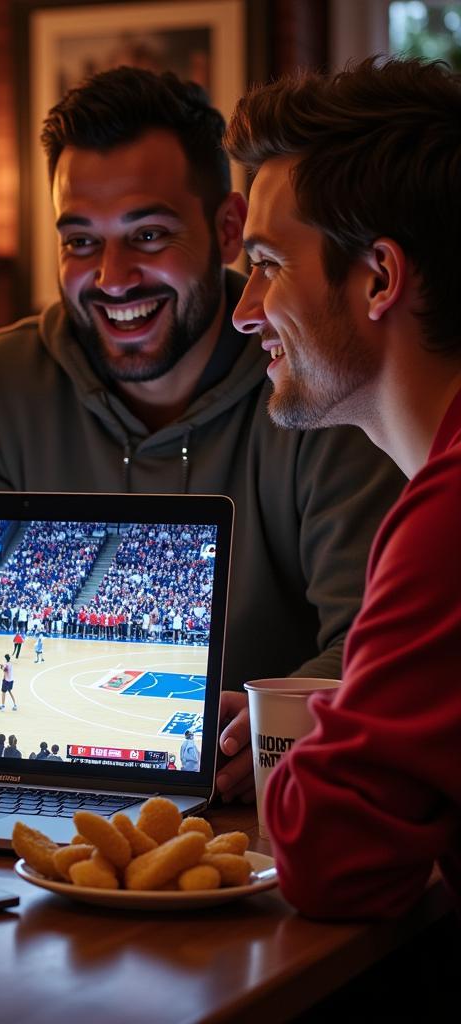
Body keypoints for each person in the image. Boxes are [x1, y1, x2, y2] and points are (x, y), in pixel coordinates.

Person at [0, 67, 403, 742]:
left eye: (148, 235)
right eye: (80, 242)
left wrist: (273, 730)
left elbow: (371, 641)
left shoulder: (317, 384)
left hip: (263, 799)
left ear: (227, 229)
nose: (112, 278)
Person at [216, 57, 461, 920]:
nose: (246, 310)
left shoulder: (448, 516)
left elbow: (331, 856)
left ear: (380, 279)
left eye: (269, 263)